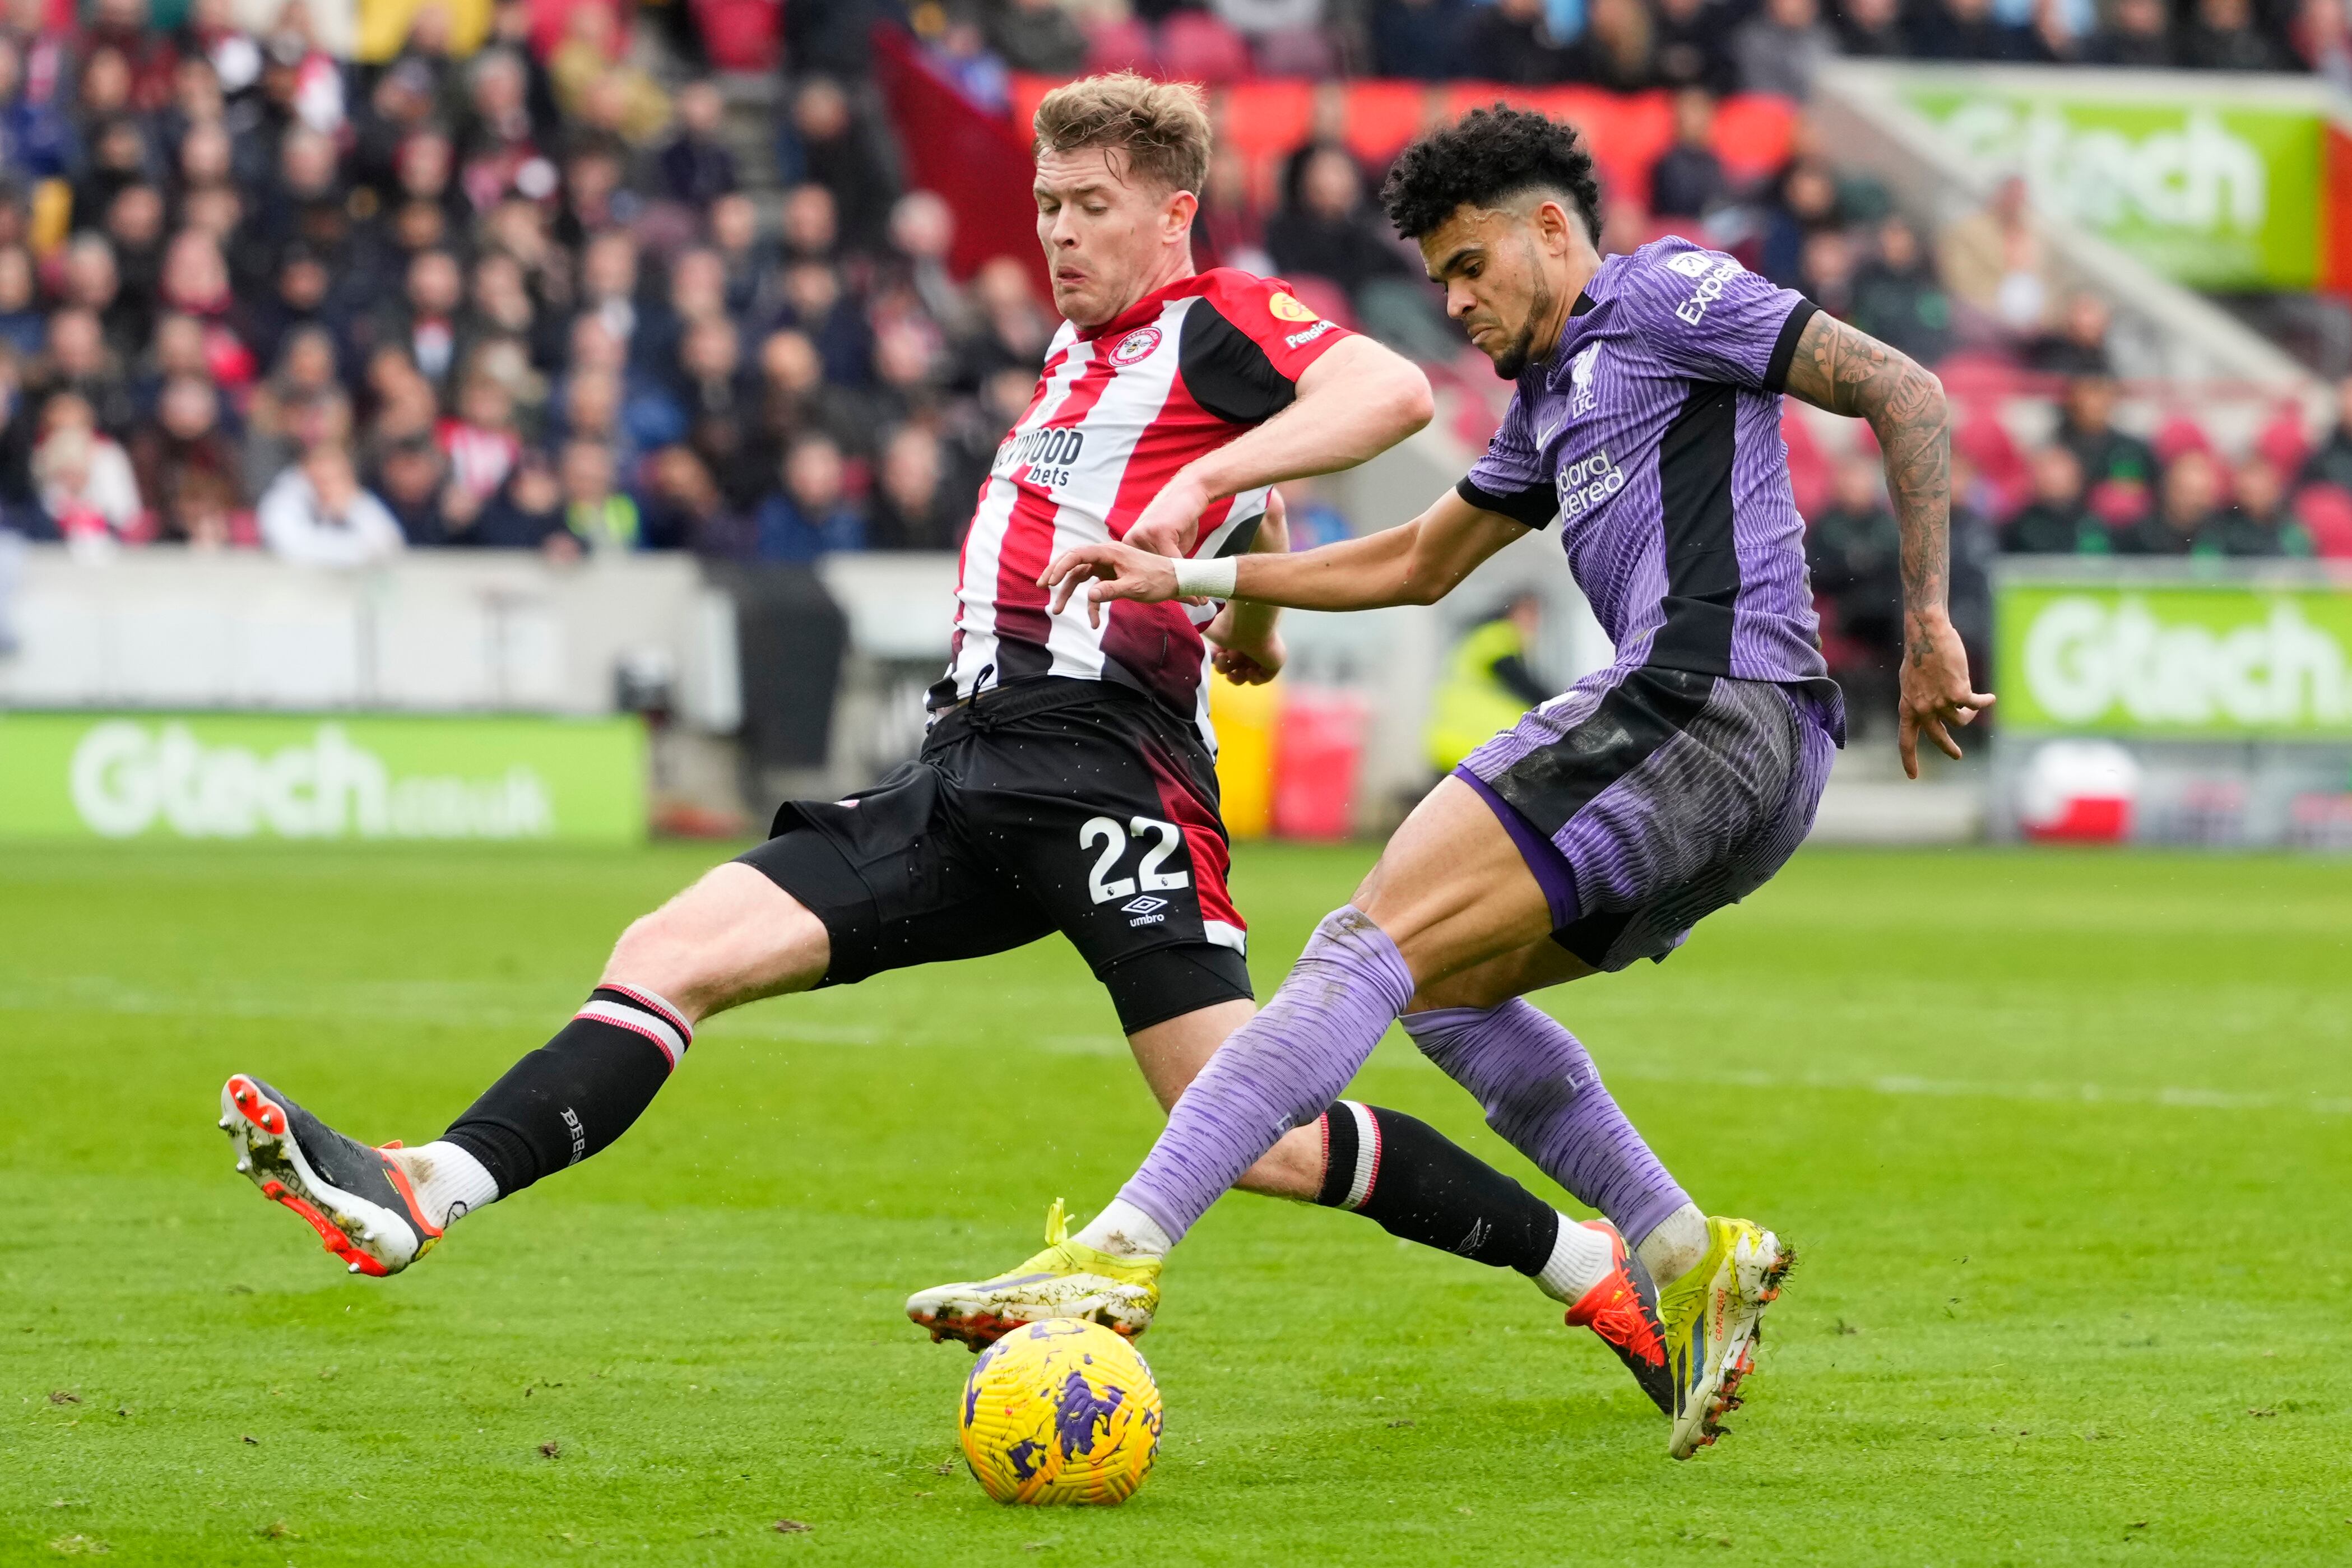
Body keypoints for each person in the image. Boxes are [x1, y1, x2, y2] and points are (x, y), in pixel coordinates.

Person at [217, 75, 1683, 1419]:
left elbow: (1386, 394)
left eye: (1090, 205)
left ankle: (1576, 1255)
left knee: (1249, 1124)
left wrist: (1221, 504)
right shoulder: (1075, 357)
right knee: (670, 943)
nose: (1057, 232)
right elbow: (1218, 500)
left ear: (1172, 213)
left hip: (1110, 772)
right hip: (963, 770)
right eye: (1046, 203)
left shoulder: (1219, 316)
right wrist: (1244, 606)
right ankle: (427, 1186)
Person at [940, 104, 1990, 1461]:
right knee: (1438, 991)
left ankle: (1120, 1249)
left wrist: (1924, 618)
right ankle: (1683, 1245)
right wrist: (1194, 575)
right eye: (1436, 277)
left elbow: (1904, 388)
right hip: (1745, 772)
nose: (1454, 301)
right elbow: (1421, 561)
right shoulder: (1550, 397)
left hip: (1699, 705)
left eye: (1470, 266)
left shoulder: (1666, 293)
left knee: (1358, 944)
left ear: (1552, 228)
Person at [1425, 591, 1552, 773]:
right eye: (1530, 614)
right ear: (1514, 612)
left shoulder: (1482, 638)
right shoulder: (1496, 637)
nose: (1534, 624)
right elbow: (1523, 685)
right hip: (1471, 747)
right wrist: (1563, 705)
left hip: (1458, 747)